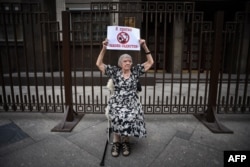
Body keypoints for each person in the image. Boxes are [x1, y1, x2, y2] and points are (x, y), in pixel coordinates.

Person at [96, 38, 154, 157]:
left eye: (129, 61)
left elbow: (150, 63)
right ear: (120, 63)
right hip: (117, 102)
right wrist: (104, 49)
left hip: (132, 102)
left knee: (130, 115)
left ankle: (126, 141)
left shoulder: (135, 71)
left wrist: (144, 46)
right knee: (117, 115)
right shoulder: (115, 72)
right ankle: (117, 141)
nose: (127, 63)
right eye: (125, 61)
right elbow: (99, 64)